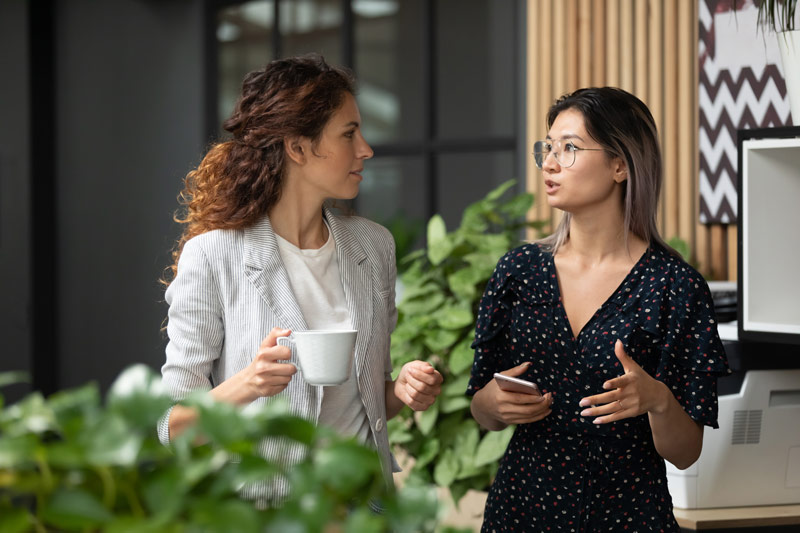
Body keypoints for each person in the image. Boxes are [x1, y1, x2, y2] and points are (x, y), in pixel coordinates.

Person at [158, 53, 443, 504]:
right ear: (298, 147)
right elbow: (171, 425)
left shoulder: (373, 246)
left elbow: (367, 402)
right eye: (349, 134)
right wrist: (249, 382)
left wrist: (403, 389)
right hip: (264, 510)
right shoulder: (213, 255)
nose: (365, 148)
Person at [467, 87, 730, 532]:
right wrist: (492, 404)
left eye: (569, 148)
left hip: (628, 517)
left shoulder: (675, 287)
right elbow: (482, 409)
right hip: (521, 512)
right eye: (547, 148)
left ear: (620, 165)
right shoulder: (519, 271)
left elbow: (686, 453)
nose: (550, 163)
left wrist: (658, 400)